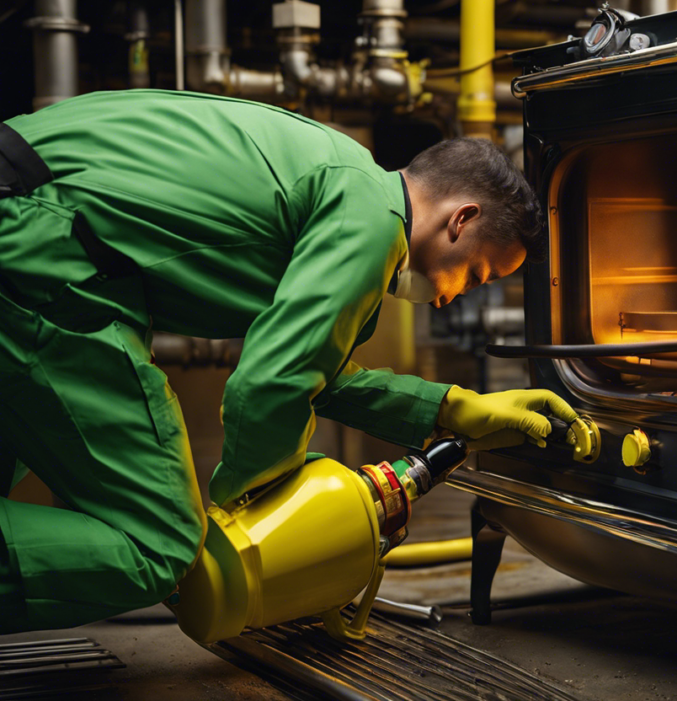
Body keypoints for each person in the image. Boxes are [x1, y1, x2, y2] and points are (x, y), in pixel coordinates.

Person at [0, 90, 578, 634]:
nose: (461, 295)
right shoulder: (371, 218)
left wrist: (455, 409)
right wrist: (245, 534)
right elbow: (272, 385)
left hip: (25, 216)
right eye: (477, 274)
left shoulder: (344, 177)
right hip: (42, 250)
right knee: (161, 544)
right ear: (462, 219)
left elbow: (314, 371)